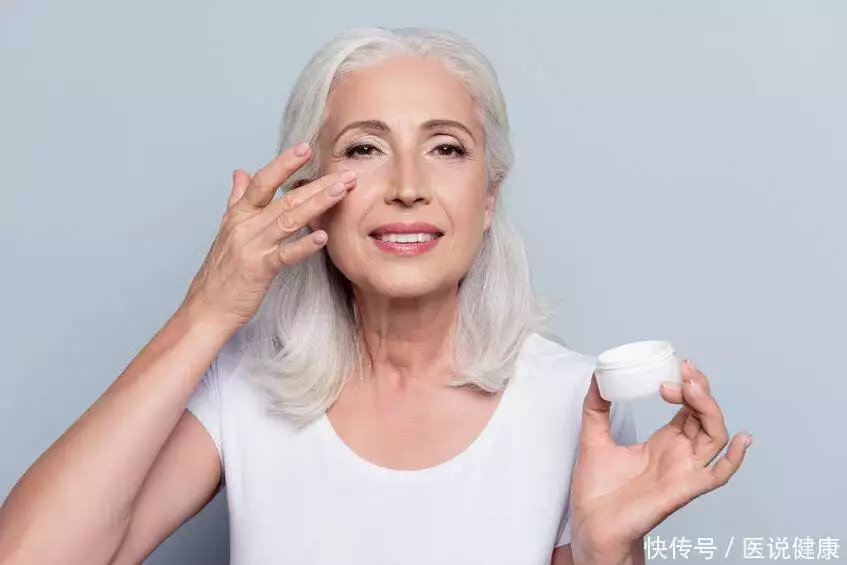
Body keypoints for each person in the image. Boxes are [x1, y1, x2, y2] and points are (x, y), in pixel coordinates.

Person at [0, 27, 751, 565]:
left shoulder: (574, 402)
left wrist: (604, 553)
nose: (407, 186)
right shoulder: (244, 385)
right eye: (364, 147)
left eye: (446, 148)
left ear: (489, 195)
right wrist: (209, 310)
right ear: (311, 193)